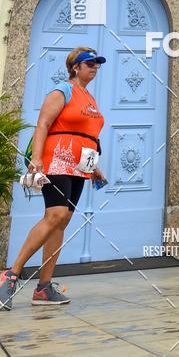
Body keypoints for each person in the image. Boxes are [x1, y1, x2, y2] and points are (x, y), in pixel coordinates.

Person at [0, 47, 106, 309]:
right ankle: (10, 275)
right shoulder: (62, 91)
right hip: (57, 158)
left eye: (97, 64)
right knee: (55, 215)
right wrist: (37, 158)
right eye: (89, 63)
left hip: (80, 166)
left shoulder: (90, 98)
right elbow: (43, 124)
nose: (94, 67)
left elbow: (90, 135)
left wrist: (94, 168)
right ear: (75, 67)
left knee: (63, 220)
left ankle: (44, 288)